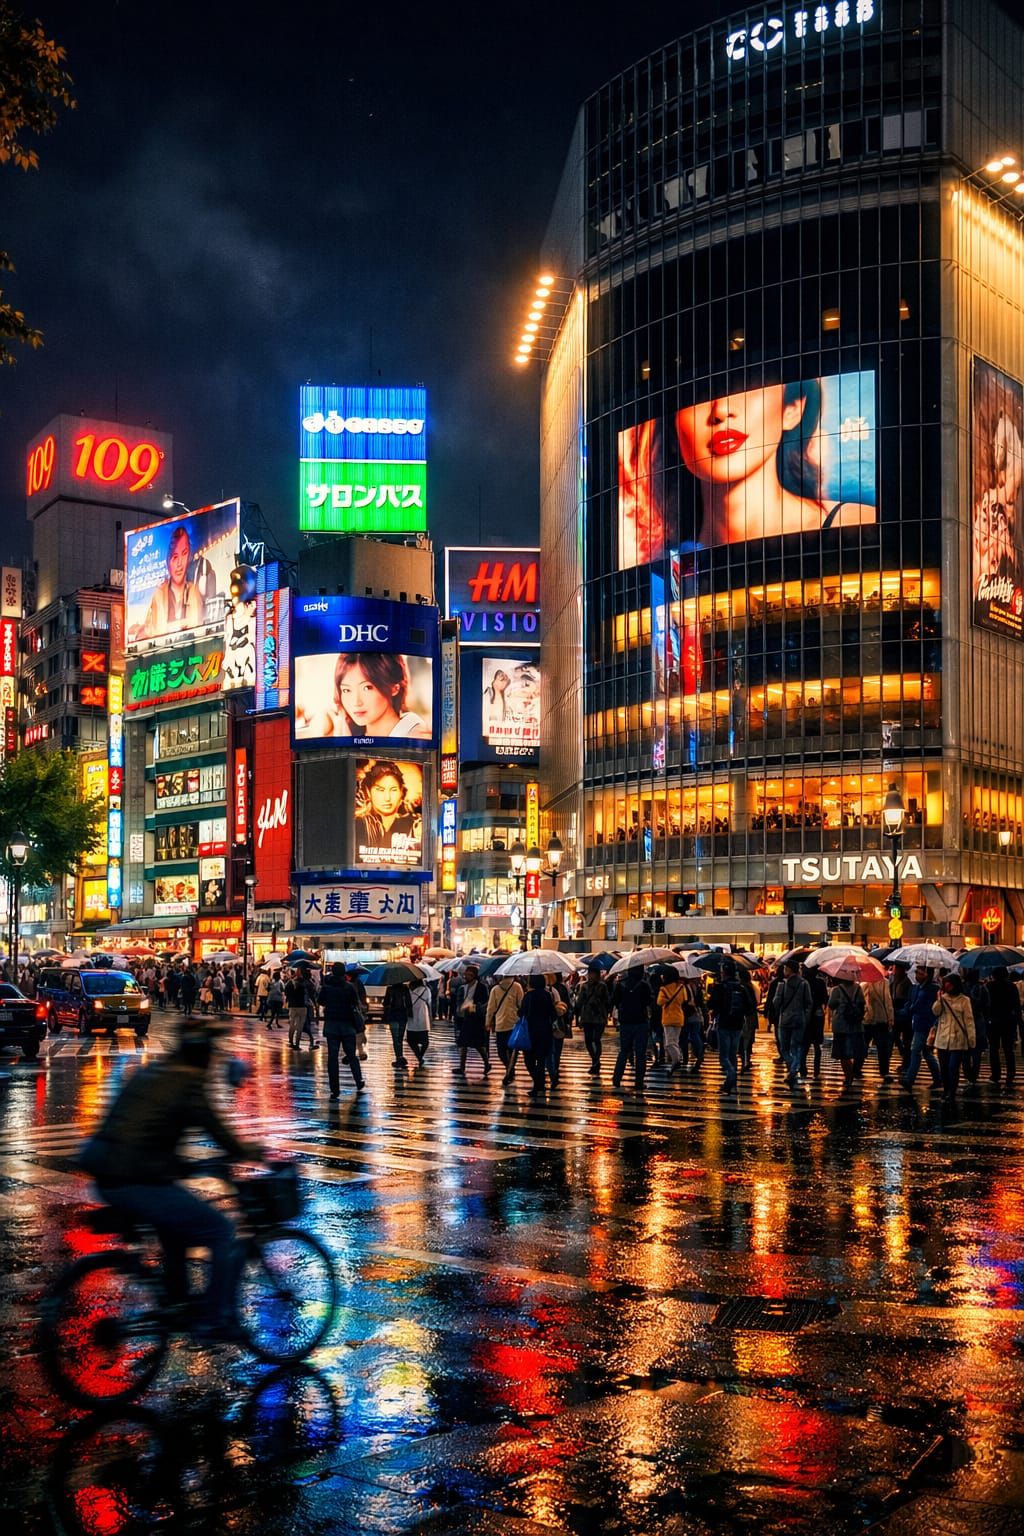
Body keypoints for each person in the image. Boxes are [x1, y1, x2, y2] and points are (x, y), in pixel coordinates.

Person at [77, 1019, 265, 1337]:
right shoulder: (188, 1081)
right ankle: (214, 1319)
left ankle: (178, 1304)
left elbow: (149, 1131)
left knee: (175, 1229)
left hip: (109, 1170)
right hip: (137, 1178)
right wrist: (249, 1150)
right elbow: (218, 1131)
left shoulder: (156, 1070)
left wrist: (185, 1167)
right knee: (221, 1231)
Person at [674, 382, 875, 546]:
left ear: (792, 409)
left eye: (746, 384)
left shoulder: (860, 523)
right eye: (698, 393)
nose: (721, 410)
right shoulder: (662, 561)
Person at [329, 653, 430, 740]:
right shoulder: (348, 733)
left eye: (367, 688)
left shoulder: (417, 736)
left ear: (394, 688)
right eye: (346, 690)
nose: (356, 702)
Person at [136, 524, 205, 641]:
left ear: (189, 556)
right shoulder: (158, 594)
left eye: (184, 554)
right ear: (168, 561)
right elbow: (147, 632)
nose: (179, 563)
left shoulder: (193, 592)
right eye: (175, 557)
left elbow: (198, 629)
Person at [355, 760, 422, 858]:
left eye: (393, 790)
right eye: (380, 790)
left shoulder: (415, 825)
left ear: (402, 792)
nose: (387, 798)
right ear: (368, 792)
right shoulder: (359, 823)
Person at [318, 962, 365, 1099]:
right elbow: (355, 1003)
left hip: (332, 1025)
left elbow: (320, 1001)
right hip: (347, 1025)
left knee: (332, 1057)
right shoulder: (349, 987)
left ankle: (334, 1088)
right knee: (351, 1055)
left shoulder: (327, 987)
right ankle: (358, 1080)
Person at [709, 959, 752, 1098]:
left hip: (724, 1023)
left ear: (724, 973)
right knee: (733, 1053)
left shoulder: (720, 987)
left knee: (723, 1056)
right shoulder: (742, 987)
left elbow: (712, 1004)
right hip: (738, 1023)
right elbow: (750, 1006)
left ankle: (731, 1075)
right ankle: (731, 1082)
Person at [931, 973, 975, 1104]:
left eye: (949, 983)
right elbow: (935, 1012)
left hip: (958, 1038)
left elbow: (969, 1020)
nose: (947, 985)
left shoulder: (964, 1000)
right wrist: (938, 999)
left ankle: (952, 1092)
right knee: (943, 1068)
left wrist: (971, 1040)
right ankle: (946, 1090)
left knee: (953, 1068)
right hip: (943, 1038)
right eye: (945, 983)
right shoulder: (942, 998)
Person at [611, 966, 653, 1094]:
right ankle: (639, 1082)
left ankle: (617, 1078)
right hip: (641, 1022)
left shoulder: (621, 984)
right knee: (640, 1053)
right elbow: (649, 1002)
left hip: (625, 1022)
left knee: (624, 1051)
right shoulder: (644, 985)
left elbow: (614, 1001)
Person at [901, 965, 942, 1090]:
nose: (916, 975)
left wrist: (912, 1008)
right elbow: (910, 1002)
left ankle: (910, 1079)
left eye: (919, 973)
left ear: (926, 974)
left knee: (915, 1051)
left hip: (926, 1024)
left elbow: (926, 1006)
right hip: (918, 1022)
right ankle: (938, 1078)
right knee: (926, 1053)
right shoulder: (917, 987)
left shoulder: (933, 988)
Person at [827, 975, 867, 1091]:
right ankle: (851, 1074)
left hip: (841, 1025)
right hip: (855, 1025)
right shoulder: (858, 989)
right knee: (856, 1051)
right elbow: (862, 1005)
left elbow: (831, 1005)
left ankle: (848, 1076)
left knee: (843, 1054)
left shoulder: (836, 990)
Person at [520, 973, 557, 1097]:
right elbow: (553, 1013)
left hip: (530, 1031)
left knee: (529, 1060)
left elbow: (521, 1012)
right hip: (545, 1031)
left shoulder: (528, 996)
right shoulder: (548, 995)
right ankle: (539, 1085)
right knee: (541, 1060)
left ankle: (537, 1083)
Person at [776, 959, 811, 1088]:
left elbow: (776, 1002)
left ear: (789, 969)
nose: (784, 970)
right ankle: (794, 1068)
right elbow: (808, 1002)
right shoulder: (804, 983)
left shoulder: (782, 984)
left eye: (785, 968)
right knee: (796, 1046)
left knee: (784, 1047)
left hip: (785, 1019)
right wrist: (805, 1016)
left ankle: (793, 1066)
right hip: (799, 1019)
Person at [452, 963, 491, 1077]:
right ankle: (462, 1067)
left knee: (478, 1044)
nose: (466, 977)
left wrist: (475, 1007)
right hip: (466, 1019)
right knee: (463, 1043)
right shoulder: (463, 987)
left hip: (477, 1019)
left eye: (469, 975)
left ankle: (486, 1063)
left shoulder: (482, 987)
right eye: (466, 974)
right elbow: (459, 1001)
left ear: (474, 975)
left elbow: (486, 1002)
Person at [486, 970, 524, 1082]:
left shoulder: (495, 989)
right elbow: (521, 1004)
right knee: (512, 1050)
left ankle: (509, 1070)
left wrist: (487, 1022)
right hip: (514, 1023)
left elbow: (490, 1008)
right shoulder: (517, 987)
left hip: (500, 1023)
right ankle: (510, 1070)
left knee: (501, 1050)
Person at [986, 965, 1021, 1086]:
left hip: (993, 1022)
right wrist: (1019, 1023)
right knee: (1008, 1050)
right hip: (1008, 1022)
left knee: (994, 1049)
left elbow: (986, 1005)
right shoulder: (1012, 987)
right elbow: (1017, 1006)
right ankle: (1010, 1076)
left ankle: (995, 1075)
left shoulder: (989, 986)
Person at [575, 964, 612, 1075]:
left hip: (599, 1017)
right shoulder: (584, 986)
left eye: (594, 973)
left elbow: (607, 1001)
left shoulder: (602, 986)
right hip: (587, 1017)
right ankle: (595, 1061)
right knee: (588, 1040)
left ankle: (595, 1062)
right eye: (590, 973)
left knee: (596, 1039)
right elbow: (579, 1002)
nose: (592, 976)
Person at [862, 970, 896, 1081]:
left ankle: (856, 1069)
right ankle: (884, 1072)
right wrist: (890, 1018)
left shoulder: (863, 983)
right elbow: (887, 1001)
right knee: (882, 1048)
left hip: (867, 1019)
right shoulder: (884, 982)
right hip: (880, 1019)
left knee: (863, 1045)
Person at [656, 973, 690, 1073]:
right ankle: (676, 1062)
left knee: (669, 1043)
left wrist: (667, 999)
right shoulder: (681, 987)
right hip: (679, 1017)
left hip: (668, 1018)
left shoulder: (664, 989)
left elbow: (659, 1002)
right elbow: (685, 999)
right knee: (675, 1041)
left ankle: (677, 1060)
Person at [801, 962, 828, 1078]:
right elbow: (825, 999)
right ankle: (816, 1071)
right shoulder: (820, 983)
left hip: (805, 1016)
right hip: (817, 1015)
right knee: (817, 1045)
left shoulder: (802, 983)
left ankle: (803, 1068)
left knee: (804, 1045)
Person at [546, 972, 572, 1086]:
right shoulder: (560, 989)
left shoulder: (552, 991)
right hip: (558, 1023)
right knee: (556, 1049)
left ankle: (552, 1070)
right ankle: (554, 1069)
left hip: (550, 1024)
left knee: (549, 1050)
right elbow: (566, 1006)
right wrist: (567, 1021)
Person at [382, 981, 413, 1068]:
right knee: (400, 1037)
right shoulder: (405, 988)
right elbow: (409, 1002)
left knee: (396, 1039)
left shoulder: (390, 989)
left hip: (393, 1016)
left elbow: (385, 1003)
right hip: (403, 1016)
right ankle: (400, 1056)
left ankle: (398, 1057)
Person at [407, 976, 432, 1064]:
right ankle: (420, 1056)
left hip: (411, 1017)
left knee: (411, 1040)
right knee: (425, 1041)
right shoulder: (426, 990)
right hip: (423, 1016)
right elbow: (429, 1002)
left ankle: (418, 1056)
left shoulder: (408, 990)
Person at [285, 968, 310, 1050]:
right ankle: (297, 1043)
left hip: (293, 1006)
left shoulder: (290, 983)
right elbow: (310, 993)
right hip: (302, 1006)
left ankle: (291, 1041)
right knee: (299, 1026)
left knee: (292, 1024)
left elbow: (286, 993)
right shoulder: (306, 983)